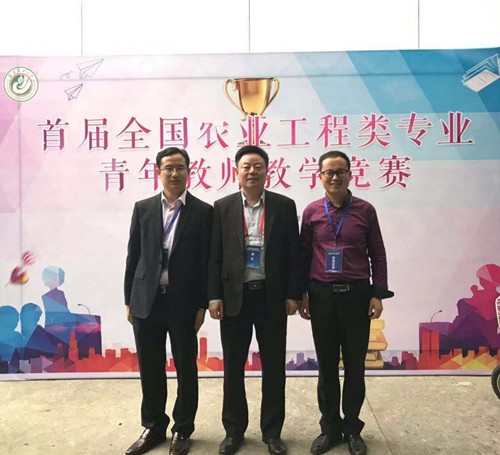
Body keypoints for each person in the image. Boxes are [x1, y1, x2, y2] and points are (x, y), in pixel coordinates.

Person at [208, 145, 301, 455]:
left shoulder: (284, 206)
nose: (252, 171)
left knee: (273, 368)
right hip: (234, 299)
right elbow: (214, 256)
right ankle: (233, 432)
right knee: (233, 368)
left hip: (271, 298)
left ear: (266, 171)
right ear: (236, 171)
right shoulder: (221, 207)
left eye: (258, 166)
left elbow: (294, 254)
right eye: (246, 166)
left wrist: (293, 293)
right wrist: (213, 296)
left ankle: (272, 433)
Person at [299, 151, 393, 455]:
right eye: (329, 172)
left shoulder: (365, 210)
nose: (335, 177)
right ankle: (329, 429)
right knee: (326, 367)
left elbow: (377, 253)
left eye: (341, 171)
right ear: (320, 176)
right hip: (322, 296)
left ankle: (352, 429)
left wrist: (378, 293)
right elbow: (303, 256)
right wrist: (302, 293)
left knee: (355, 366)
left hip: (357, 296)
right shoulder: (312, 212)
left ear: (351, 175)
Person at [124, 147, 213, 455]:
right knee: (150, 367)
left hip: (183, 302)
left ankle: (183, 428)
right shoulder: (144, 208)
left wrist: (202, 304)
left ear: (189, 171)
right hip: (146, 300)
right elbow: (133, 255)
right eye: (168, 168)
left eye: (180, 168)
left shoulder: (203, 211)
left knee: (186, 367)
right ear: (158, 172)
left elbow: (206, 262)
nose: (174, 173)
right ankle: (153, 426)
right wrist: (128, 300)